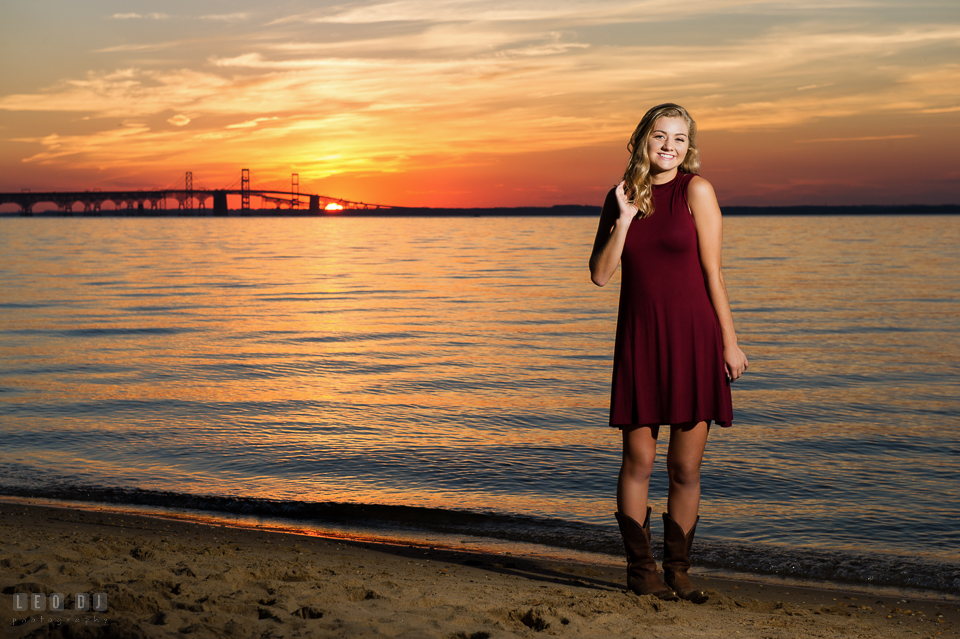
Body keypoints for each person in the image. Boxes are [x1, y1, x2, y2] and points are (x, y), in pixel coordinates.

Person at [589, 103, 748, 603]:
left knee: (685, 468)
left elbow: (712, 273)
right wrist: (627, 217)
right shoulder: (621, 197)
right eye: (660, 136)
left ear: (689, 146)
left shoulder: (696, 191)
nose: (669, 147)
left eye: (679, 139)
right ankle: (642, 571)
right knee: (637, 460)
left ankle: (678, 570)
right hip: (639, 339)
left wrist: (730, 341)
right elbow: (600, 274)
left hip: (694, 338)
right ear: (642, 140)